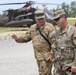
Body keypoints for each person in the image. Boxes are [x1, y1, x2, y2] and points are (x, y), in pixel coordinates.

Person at [11, 9, 56, 75]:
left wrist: (51, 54)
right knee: (42, 72)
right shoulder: (33, 28)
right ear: (35, 19)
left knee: (44, 73)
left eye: (41, 18)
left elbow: (55, 42)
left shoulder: (50, 28)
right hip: (38, 56)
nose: (40, 20)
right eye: (38, 19)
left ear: (44, 18)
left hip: (47, 56)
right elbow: (26, 37)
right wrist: (18, 38)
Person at [52, 9, 76, 75]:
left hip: (70, 68)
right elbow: (55, 48)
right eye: (54, 20)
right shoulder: (57, 33)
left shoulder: (73, 31)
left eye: (57, 19)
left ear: (63, 18)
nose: (55, 22)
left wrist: (75, 64)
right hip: (59, 68)